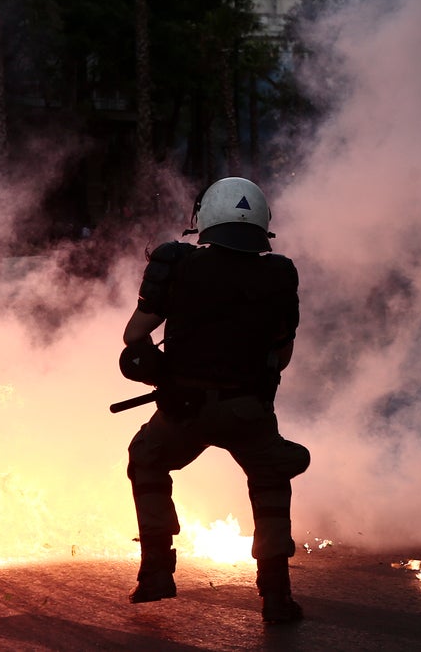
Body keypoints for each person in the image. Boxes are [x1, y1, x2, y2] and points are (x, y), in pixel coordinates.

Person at [120, 177, 310, 624]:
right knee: (269, 482)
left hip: (183, 409)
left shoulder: (177, 262)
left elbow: (133, 337)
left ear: (204, 218)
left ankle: (155, 574)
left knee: (146, 458)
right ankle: (277, 597)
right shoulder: (280, 273)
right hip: (249, 410)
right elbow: (281, 356)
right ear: (261, 223)